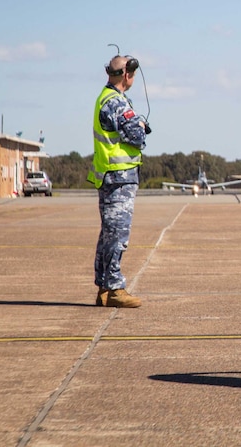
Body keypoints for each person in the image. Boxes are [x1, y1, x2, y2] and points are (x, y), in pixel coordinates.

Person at [87, 54, 150, 308]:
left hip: (111, 177)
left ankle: (104, 286)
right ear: (127, 74)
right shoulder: (116, 103)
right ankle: (114, 288)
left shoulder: (109, 98)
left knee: (108, 234)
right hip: (118, 178)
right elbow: (136, 136)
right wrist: (141, 125)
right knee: (117, 234)